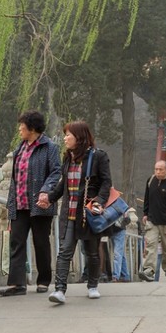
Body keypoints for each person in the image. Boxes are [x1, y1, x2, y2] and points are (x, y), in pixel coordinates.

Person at [38, 121, 111, 304]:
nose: (65, 138)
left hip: (88, 213)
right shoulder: (68, 158)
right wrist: (50, 198)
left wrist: (99, 201)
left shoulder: (98, 156)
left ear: (79, 137)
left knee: (92, 252)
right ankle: (60, 290)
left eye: (68, 135)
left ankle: (93, 285)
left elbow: (106, 183)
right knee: (64, 251)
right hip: (68, 213)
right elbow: (64, 184)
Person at [0, 110, 61, 297]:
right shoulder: (21, 147)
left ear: (32, 129)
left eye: (22, 127)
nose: (19, 129)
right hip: (19, 203)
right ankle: (17, 284)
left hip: (40, 204)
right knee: (16, 242)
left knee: (41, 242)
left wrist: (45, 190)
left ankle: (43, 280)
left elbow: (56, 172)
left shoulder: (49, 147)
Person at [139, 160, 166, 282]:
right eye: (156, 169)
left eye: (160, 169)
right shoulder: (150, 180)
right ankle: (149, 271)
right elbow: (147, 198)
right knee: (150, 244)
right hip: (152, 220)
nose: (158, 172)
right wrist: (145, 213)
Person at [110, 209, 132, 282]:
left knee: (117, 253)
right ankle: (125, 275)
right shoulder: (121, 204)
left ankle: (116, 276)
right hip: (116, 230)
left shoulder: (120, 205)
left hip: (118, 230)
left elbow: (128, 219)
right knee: (120, 254)